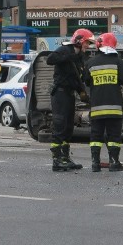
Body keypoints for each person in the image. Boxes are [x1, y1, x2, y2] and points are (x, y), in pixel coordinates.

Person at [46, 28, 94, 172]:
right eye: (87, 42)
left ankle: (65, 157)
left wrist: (83, 89)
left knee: (68, 127)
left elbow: (78, 77)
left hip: (70, 94)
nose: (88, 46)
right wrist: (67, 57)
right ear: (79, 40)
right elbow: (50, 59)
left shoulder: (80, 57)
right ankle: (57, 160)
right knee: (60, 125)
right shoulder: (65, 50)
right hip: (60, 94)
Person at [84, 33, 123, 172]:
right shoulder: (117, 61)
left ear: (99, 44)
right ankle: (114, 162)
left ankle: (95, 163)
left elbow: (86, 81)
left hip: (97, 107)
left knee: (96, 136)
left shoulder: (90, 63)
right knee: (114, 136)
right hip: (114, 107)